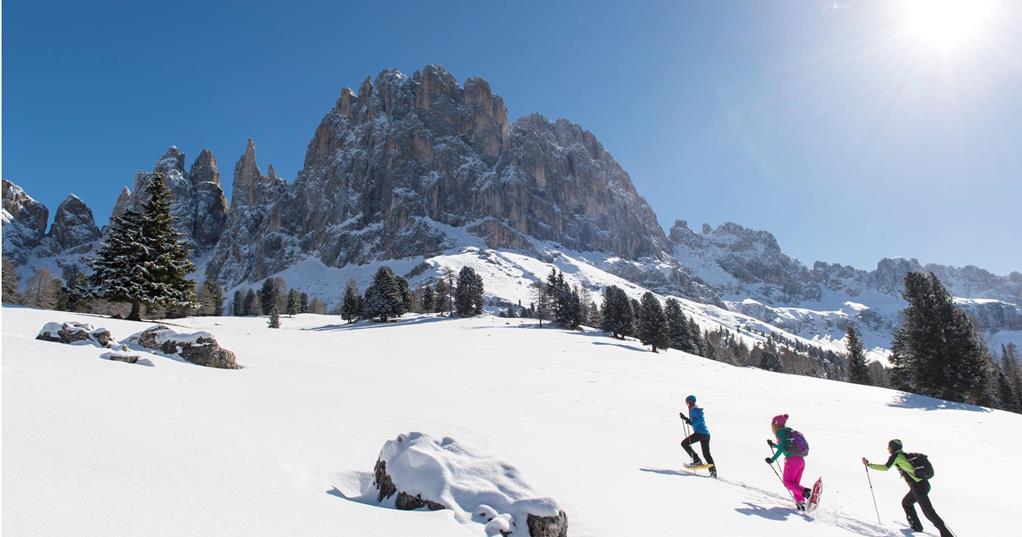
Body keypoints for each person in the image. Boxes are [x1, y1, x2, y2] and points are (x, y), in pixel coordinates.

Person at [863, 440, 953, 537]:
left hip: (918, 487)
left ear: (893, 448)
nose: (888, 448)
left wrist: (869, 465)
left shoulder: (896, 456)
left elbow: (885, 467)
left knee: (928, 512)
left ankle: (946, 534)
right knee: (906, 502)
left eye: (889, 447)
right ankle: (916, 526)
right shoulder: (904, 455)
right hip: (922, 485)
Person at [764, 414, 812, 511]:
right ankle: (801, 503)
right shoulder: (789, 431)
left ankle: (807, 492)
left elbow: (782, 448)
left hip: (792, 461)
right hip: (801, 461)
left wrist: (772, 459)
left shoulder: (779, 432)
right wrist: (774, 445)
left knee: (787, 483)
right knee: (795, 484)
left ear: (775, 424)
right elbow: (785, 446)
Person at [679, 394, 716, 477]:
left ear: (690, 402)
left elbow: (700, 420)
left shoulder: (694, 409)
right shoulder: (694, 409)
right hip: (705, 434)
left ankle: (696, 460)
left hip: (700, 433)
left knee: (684, 443)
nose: (687, 404)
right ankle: (713, 473)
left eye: (687, 402)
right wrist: (686, 419)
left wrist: (691, 422)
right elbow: (696, 422)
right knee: (706, 454)